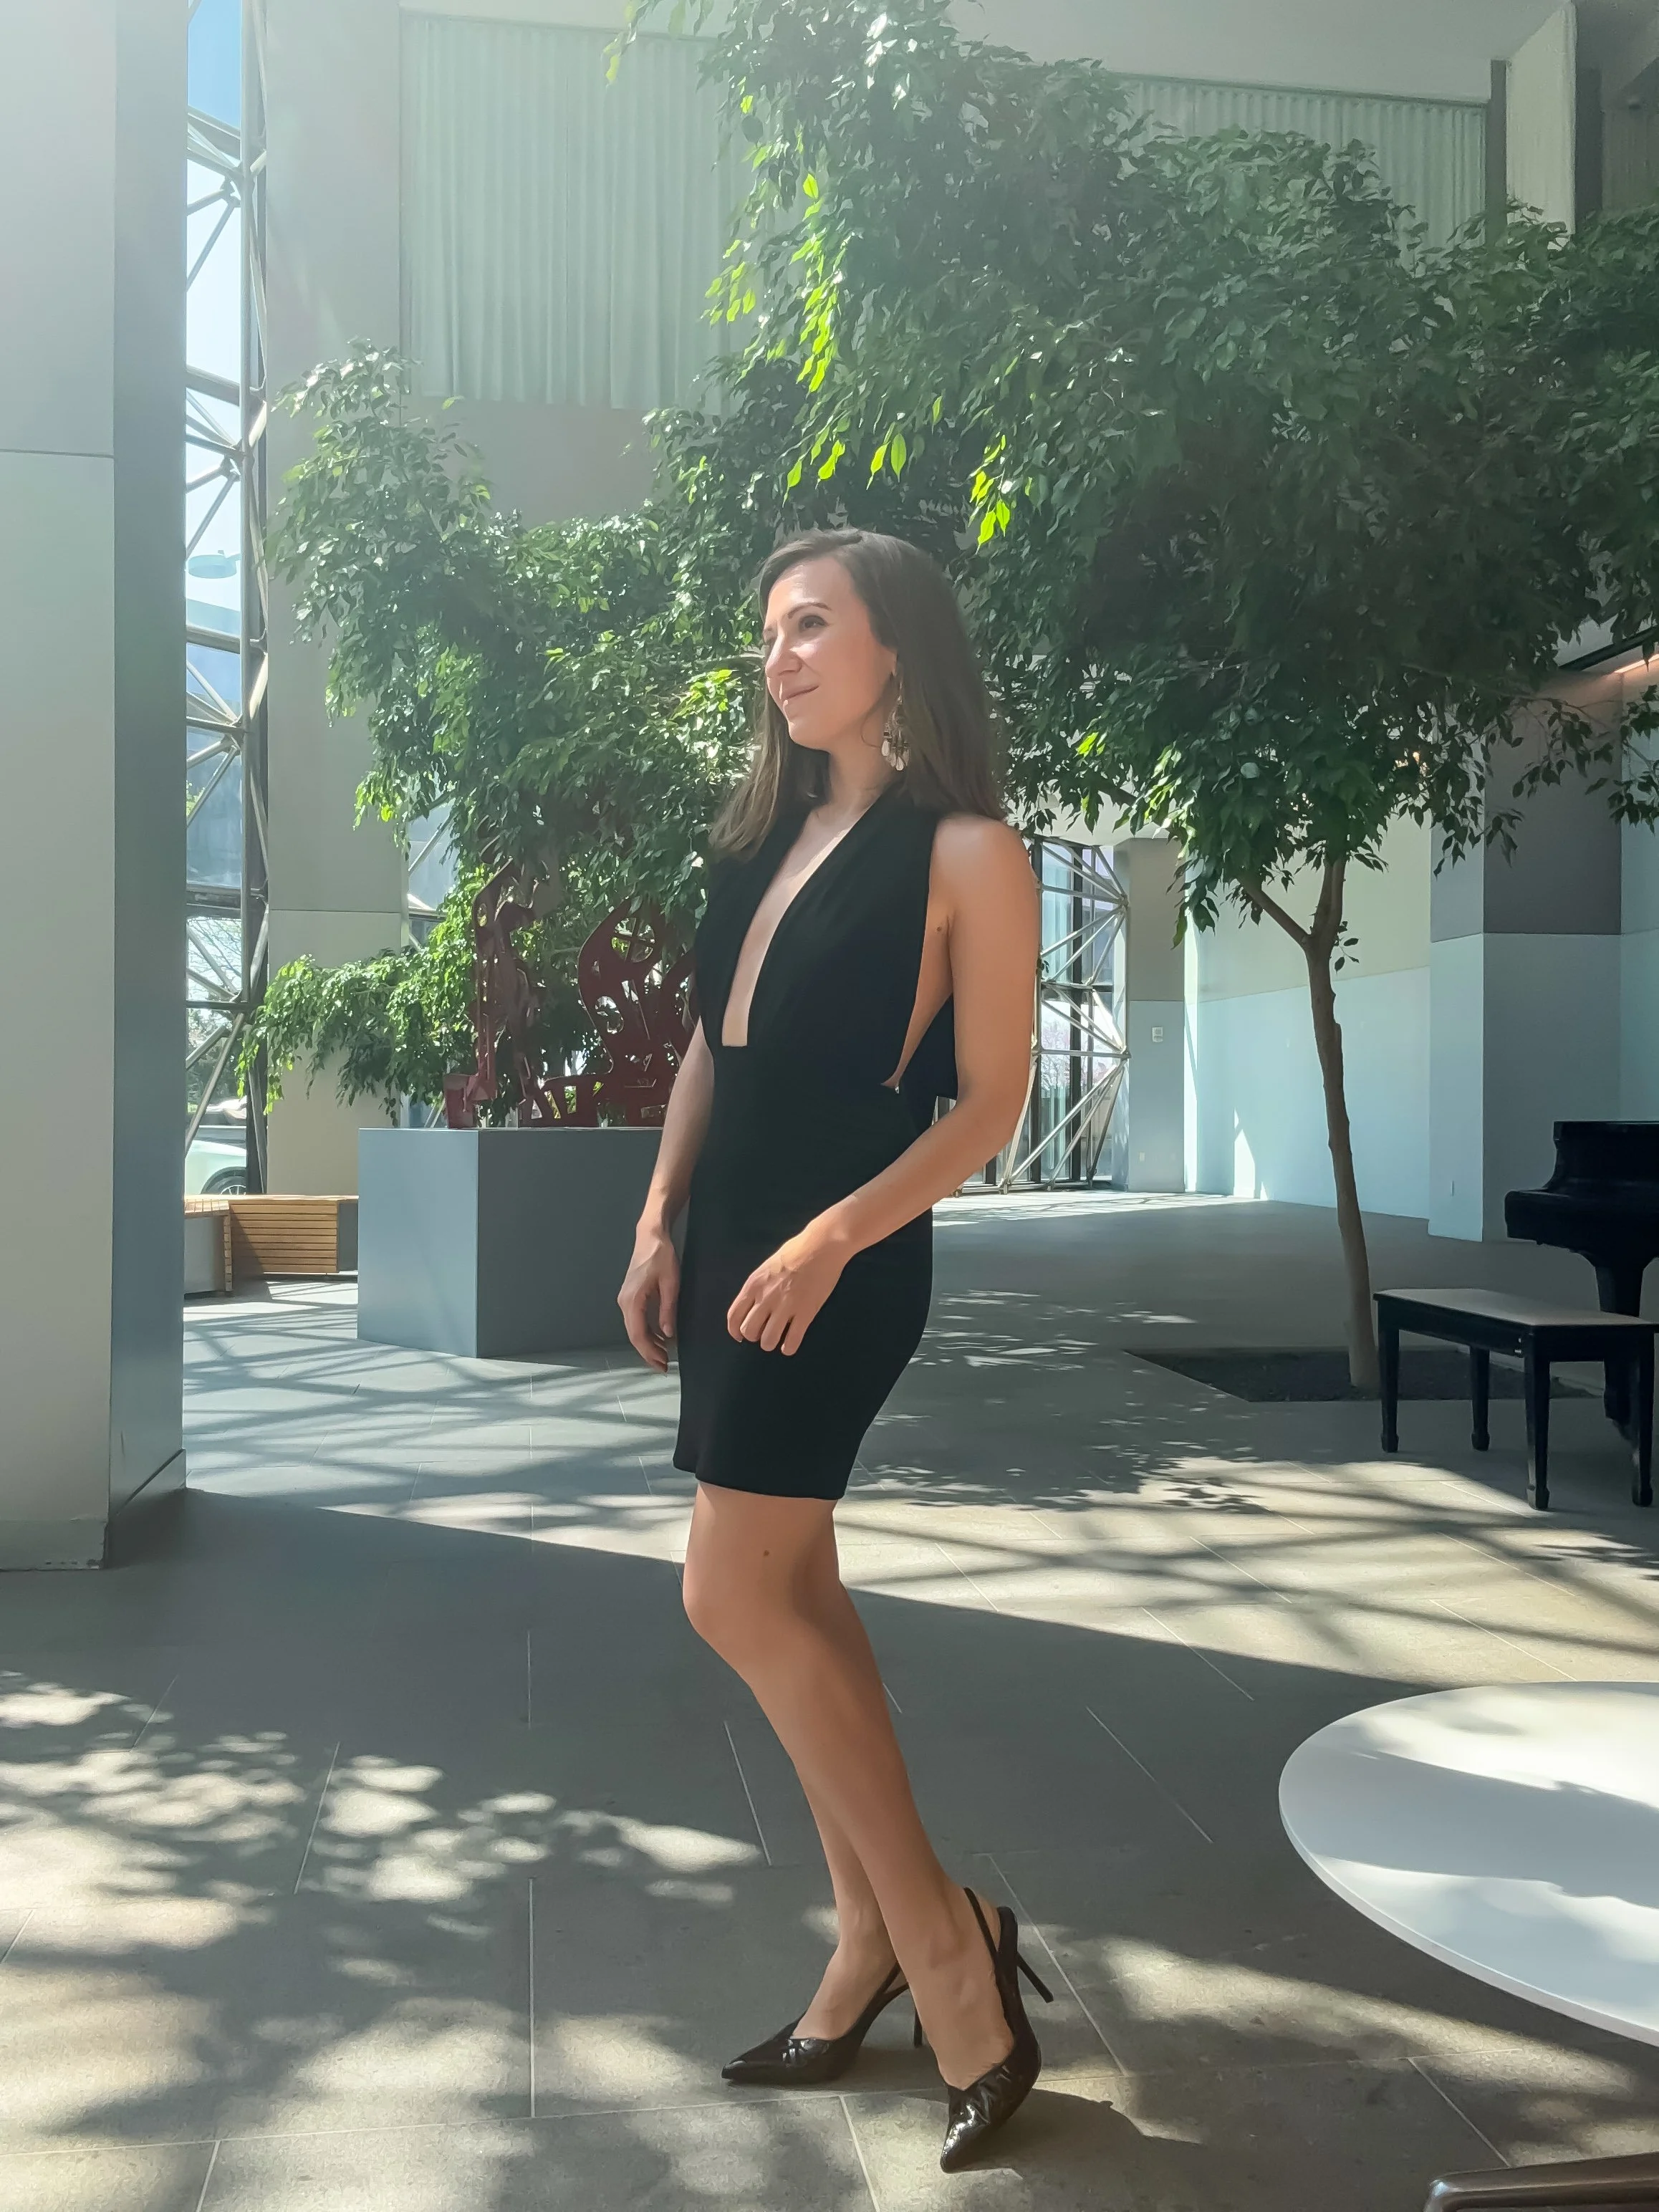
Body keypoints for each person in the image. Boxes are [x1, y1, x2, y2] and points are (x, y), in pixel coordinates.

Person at [618, 528, 1047, 2172]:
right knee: (795, 1591)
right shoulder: (761, 839)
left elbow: (989, 1106)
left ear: (895, 651)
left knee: (728, 1593)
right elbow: (709, 1050)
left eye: (811, 626)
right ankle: (878, 1938)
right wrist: (661, 1215)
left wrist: (826, 1238)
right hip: (735, 1237)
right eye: (771, 632)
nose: (779, 657)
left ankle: (950, 1953)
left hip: (842, 1253)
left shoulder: (970, 851)